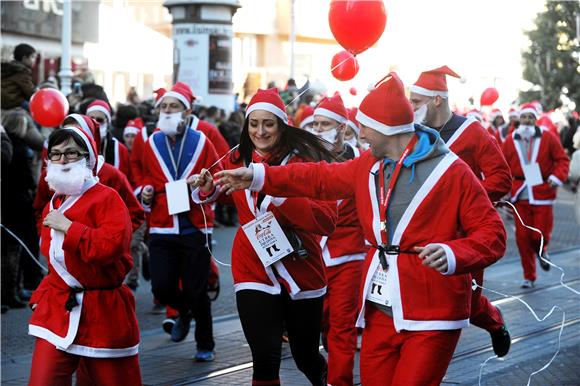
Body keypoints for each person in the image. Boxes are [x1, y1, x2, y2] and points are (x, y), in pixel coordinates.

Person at [213, 73, 507, 386]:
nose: (360, 132)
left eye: (365, 126)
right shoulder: (369, 163)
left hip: (432, 311)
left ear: (386, 129)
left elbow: (493, 235)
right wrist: (259, 176)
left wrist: (452, 252)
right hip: (380, 307)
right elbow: (320, 178)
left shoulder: (453, 172)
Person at [189, 88, 337, 385]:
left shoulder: (306, 161)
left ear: (282, 125)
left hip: (301, 266)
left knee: (305, 354)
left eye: (268, 123)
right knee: (265, 357)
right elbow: (227, 195)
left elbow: (326, 221)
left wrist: (275, 188)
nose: (260, 131)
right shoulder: (236, 157)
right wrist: (207, 188)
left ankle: (323, 379)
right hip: (251, 265)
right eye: (253, 123)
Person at [409, 65, 512, 357]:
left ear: (436, 100)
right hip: (423, 231)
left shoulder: (472, 132)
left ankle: (494, 322)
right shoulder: (415, 135)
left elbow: (502, 178)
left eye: (416, 102)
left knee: (466, 299)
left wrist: (465, 202)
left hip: (464, 234)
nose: (411, 108)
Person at [28, 126, 141, 385]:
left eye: (71, 153)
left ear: (87, 158)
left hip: (104, 313)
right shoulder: (53, 202)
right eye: (55, 154)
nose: (62, 160)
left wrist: (69, 227)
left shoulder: (108, 198)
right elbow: (54, 261)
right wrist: (42, 295)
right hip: (58, 311)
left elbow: (111, 247)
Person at [140, 82, 218, 361]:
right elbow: (144, 176)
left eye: (174, 106)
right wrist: (146, 191)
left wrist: (202, 186)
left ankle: (205, 344)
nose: (169, 110)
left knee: (197, 289)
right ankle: (184, 312)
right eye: (164, 106)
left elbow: (216, 181)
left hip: (194, 225)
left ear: (187, 111)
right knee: (161, 286)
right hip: (162, 224)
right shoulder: (152, 142)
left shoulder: (202, 141)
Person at [309, 95, 367, 386]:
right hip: (309, 257)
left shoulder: (364, 162)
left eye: (326, 124)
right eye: (315, 124)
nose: (319, 129)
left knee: (343, 327)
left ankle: (339, 382)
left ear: (344, 129)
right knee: (312, 325)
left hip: (349, 257)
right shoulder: (304, 159)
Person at [502, 103, 570, 288]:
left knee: (539, 234)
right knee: (522, 238)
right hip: (519, 193)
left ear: (535, 119)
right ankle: (529, 276)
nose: (526, 120)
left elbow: (562, 159)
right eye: (524, 117)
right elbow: (500, 166)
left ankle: (542, 251)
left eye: (530, 117)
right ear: (519, 119)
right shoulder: (509, 140)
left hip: (542, 191)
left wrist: (557, 177)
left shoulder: (548, 137)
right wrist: (502, 191)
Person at [86, 99, 132, 181]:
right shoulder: (78, 144)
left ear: (107, 122)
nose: (95, 123)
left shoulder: (120, 150)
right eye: (91, 119)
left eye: (99, 120)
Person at [1, 43, 37, 110]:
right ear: (24, 58)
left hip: (4, 100)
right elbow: (29, 91)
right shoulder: (21, 71)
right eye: (32, 57)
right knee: (36, 110)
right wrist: (37, 93)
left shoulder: (10, 67)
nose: (34, 60)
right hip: (14, 101)